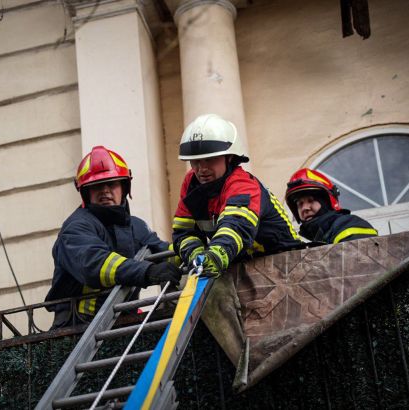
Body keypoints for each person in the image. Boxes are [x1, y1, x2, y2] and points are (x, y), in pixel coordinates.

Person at [45, 146, 182, 328]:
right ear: (85, 192)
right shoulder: (76, 228)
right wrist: (147, 271)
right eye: (97, 186)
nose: (105, 191)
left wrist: (190, 250)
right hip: (80, 328)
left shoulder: (136, 227)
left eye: (112, 183)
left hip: (124, 322)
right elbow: (95, 264)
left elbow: (164, 253)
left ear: (124, 187)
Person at [172, 114, 303, 277]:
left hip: (286, 263)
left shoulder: (243, 184)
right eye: (196, 161)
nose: (202, 169)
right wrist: (197, 257)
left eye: (210, 159)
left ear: (230, 157)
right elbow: (184, 232)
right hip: (242, 266)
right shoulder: (191, 185)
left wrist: (214, 256)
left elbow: (236, 227)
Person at [285, 167, 378, 244]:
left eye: (311, 200)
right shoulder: (321, 236)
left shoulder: (349, 225)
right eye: (300, 204)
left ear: (327, 203)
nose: (305, 208)